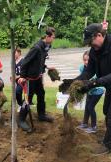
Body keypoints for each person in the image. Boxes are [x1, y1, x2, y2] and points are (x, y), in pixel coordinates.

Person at [59, 23, 111, 154]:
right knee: (106, 110)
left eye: (91, 41)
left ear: (99, 35)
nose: (90, 46)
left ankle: (107, 145)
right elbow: (88, 72)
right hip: (108, 85)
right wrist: (75, 82)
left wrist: (94, 83)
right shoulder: (94, 52)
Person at [18, 27, 55, 131]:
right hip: (30, 79)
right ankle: (21, 120)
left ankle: (41, 115)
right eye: (53, 37)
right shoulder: (37, 48)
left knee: (41, 94)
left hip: (38, 77)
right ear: (47, 36)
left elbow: (40, 61)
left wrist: (46, 67)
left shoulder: (46, 47)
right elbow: (25, 62)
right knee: (27, 99)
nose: (53, 39)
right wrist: (22, 76)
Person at [77, 50, 104, 133]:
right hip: (89, 91)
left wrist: (85, 84)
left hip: (97, 91)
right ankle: (85, 123)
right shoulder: (82, 68)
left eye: (88, 60)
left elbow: (93, 80)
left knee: (90, 107)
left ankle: (94, 127)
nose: (86, 62)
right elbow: (82, 77)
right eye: (84, 60)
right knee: (87, 107)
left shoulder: (95, 68)